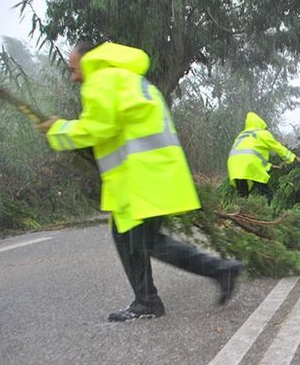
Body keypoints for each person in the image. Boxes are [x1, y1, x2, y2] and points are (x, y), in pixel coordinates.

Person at [36, 42, 243, 322]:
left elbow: (97, 129)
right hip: (150, 174)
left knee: (145, 241)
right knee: (126, 237)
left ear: (89, 60)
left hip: (141, 177)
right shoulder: (132, 80)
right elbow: (115, 129)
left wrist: (58, 129)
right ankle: (146, 300)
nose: (73, 77)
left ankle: (219, 270)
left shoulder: (101, 81)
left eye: (74, 69)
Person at [227, 111, 300, 202]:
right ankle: (269, 212)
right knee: (265, 192)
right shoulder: (262, 133)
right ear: (260, 123)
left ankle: (241, 214)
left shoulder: (241, 135)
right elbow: (278, 147)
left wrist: (270, 166)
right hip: (251, 164)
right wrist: (294, 157)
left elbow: (249, 155)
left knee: (242, 195)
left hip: (234, 165)